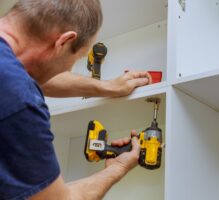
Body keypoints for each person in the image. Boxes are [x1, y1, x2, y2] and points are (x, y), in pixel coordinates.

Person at [0, 1, 151, 199]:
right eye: (75, 60)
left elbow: (24, 73)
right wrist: (118, 168)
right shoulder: (22, 101)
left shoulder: (10, 76)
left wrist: (108, 87)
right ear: (63, 42)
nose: (68, 70)